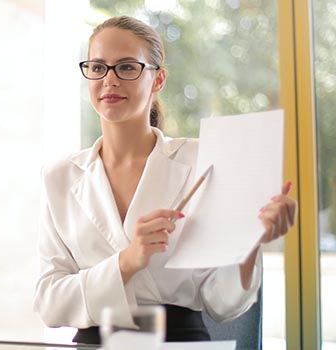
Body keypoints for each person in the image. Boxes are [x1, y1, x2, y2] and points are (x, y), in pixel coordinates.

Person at [33, 15, 297, 345]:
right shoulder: (60, 177)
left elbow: (224, 303)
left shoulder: (205, 163)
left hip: (179, 341)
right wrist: (127, 262)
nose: (109, 80)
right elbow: (50, 302)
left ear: (158, 80)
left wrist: (252, 239)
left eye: (127, 67)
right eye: (98, 67)